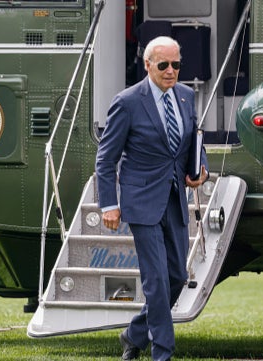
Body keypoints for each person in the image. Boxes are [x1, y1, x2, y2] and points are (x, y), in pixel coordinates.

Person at [96, 36, 209, 361]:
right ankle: (163, 352)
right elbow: (106, 159)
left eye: (176, 64)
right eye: (164, 65)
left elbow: (193, 144)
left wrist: (201, 170)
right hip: (141, 201)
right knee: (157, 279)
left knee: (176, 277)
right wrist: (109, 204)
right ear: (148, 65)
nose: (171, 71)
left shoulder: (187, 97)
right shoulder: (128, 102)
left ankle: (134, 334)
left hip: (175, 200)